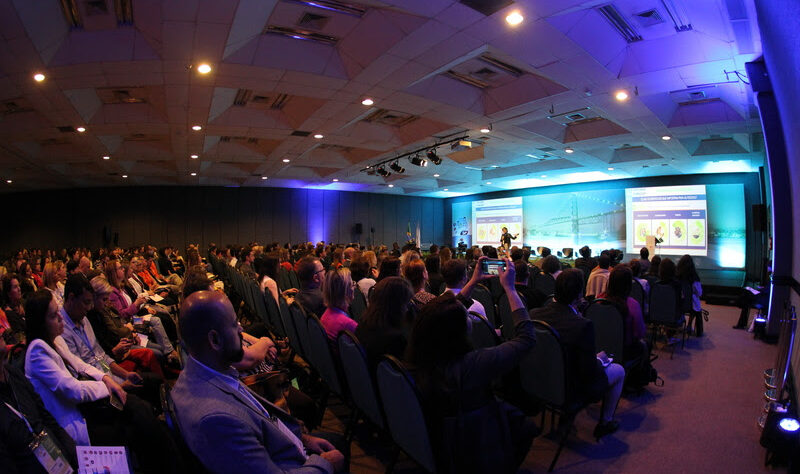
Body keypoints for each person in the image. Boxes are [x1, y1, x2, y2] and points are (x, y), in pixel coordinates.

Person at [172, 290, 345, 473]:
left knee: (336, 441)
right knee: (338, 449)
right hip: (290, 463)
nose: (241, 329)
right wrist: (325, 465)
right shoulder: (217, 420)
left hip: (282, 444)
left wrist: (303, 438)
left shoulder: (200, 372)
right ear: (214, 340)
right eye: (233, 325)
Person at [23, 290, 180, 472]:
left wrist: (107, 379)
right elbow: (72, 389)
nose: (60, 317)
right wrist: (110, 386)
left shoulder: (56, 340)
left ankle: (168, 456)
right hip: (73, 422)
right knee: (136, 421)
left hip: (87, 406)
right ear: (40, 323)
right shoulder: (37, 351)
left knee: (140, 410)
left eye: (58, 311)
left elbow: (82, 365)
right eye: (53, 315)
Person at [406, 257, 537, 473]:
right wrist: (511, 290)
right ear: (458, 332)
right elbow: (526, 339)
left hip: (440, 437)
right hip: (473, 439)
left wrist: (474, 281)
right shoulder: (474, 364)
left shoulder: (421, 351)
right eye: (464, 316)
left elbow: (441, 312)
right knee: (524, 425)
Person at [530, 269, 625, 440]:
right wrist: (600, 360)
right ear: (579, 295)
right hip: (568, 388)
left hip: (539, 381)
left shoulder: (534, 314)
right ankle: (605, 422)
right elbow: (588, 372)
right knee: (618, 370)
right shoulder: (582, 325)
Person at [0, 323, 79, 471]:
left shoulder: (14, 374)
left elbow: (44, 415)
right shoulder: (37, 350)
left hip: (56, 455)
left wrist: (72, 451)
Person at [354, 277, 415, 374]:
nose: (407, 309)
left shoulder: (363, 324)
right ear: (397, 306)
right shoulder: (395, 339)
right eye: (406, 304)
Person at [319, 268, 356, 343]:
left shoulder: (325, 315)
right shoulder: (349, 325)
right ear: (345, 291)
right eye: (352, 284)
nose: (354, 287)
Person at [677, 255, 704, 336]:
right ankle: (689, 325)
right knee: (695, 302)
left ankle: (681, 321)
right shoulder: (694, 277)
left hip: (677, 304)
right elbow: (699, 293)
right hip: (690, 306)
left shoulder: (676, 276)